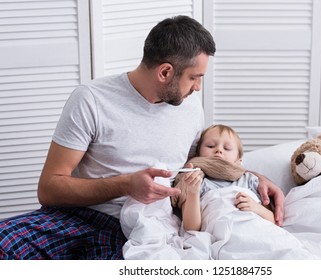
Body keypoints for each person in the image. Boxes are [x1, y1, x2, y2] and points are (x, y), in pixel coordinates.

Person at [0, 15, 284, 260]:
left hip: (138, 231)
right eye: (194, 77)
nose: (198, 87)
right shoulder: (91, 100)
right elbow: (49, 189)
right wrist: (126, 184)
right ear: (165, 72)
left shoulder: (190, 106)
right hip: (74, 216)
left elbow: (197, 164)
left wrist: (253, 175)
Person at [175, 124, 275, 232]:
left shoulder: (249, 180)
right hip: (221, 234)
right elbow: (191, 228)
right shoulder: (195, 181)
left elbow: (272, 220)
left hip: (254, 230)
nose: (219, 150)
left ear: (239, 160)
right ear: (197, 155)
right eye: (210, 146)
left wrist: (256, 208)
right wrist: (193, 193)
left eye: (227, 148)